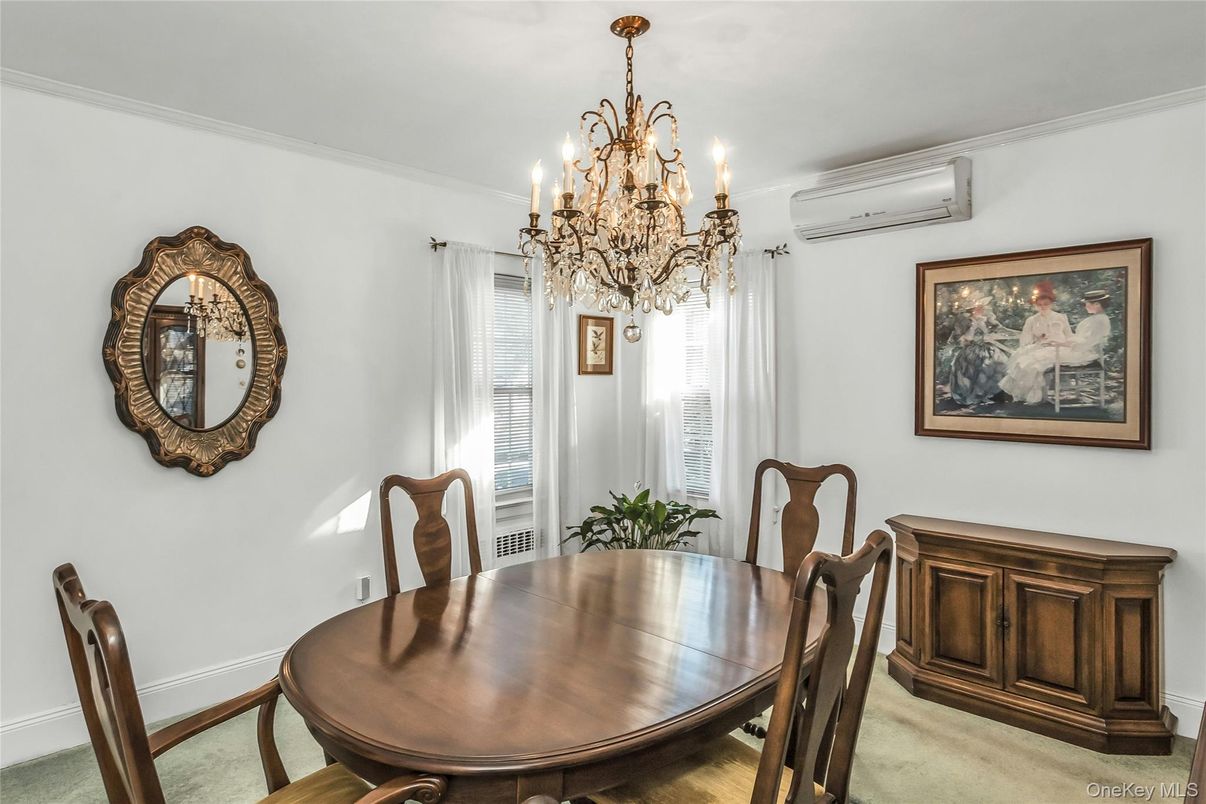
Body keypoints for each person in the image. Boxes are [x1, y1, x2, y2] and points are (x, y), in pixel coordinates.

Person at [1000, 290, 1113, 405]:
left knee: (1034, 361)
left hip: (1082, 352)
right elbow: (1080, 339)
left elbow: (1084, 342)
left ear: (1097, 304)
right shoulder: (1095, 319)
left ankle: (1034, 395)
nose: (1085, 306)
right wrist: (1046, 341)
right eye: (1039, 305)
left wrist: (1061, 343)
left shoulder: (1098, 321)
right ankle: (1030, 393)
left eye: (1087, 303)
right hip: (1073, 348)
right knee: (1030, 358)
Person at [949, 297, 1009, 406]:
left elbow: (991, 332)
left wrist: (989, 332)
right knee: (975, 365)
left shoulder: (985, 320)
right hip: (971, 348)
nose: (981, 310)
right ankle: (977, 393)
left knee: (1000, 361)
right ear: (972, 309)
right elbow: (965, 338)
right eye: (978, 308)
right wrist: (972, 329)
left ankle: (994, 393)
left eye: (982, 308)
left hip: (985, 346)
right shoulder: (967, 321)